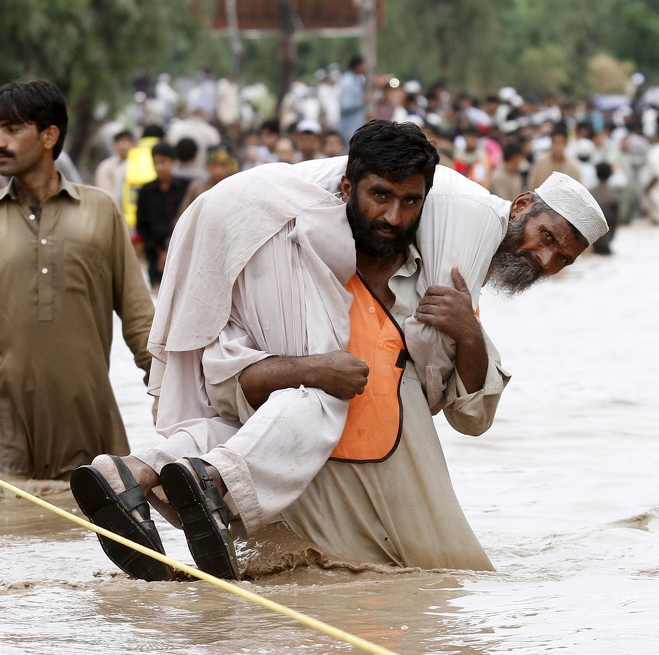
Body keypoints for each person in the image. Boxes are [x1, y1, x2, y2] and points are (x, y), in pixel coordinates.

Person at [70, 120, 607, 582]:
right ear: (520, 207)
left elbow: (441, 334)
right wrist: (449, 352)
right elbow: (431, 346)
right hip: (260, 233)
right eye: (545, 236)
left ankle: (133, 473)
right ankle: (216, 483)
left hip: (236, 223)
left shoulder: (457, 221)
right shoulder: (474, 219)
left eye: (562, 256)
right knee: (328, 383)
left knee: (258, 405)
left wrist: (464, 334)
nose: (544, 256)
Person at [0, 80, 155, 481]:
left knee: (82, 530)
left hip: (83, 411)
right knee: (5, 526)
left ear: (49, 135)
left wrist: (164, 386)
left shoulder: (100, 212)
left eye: (11, 129)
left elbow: (139, 315)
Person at [135, 141, 190, 289]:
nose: (159, 167)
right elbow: (141, 225)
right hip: (155, 257)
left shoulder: (185, 188)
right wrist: (160, 252)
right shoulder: (146, 191)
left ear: (173, 162)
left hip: (182, 254)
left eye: (163, 162)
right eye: (156, 163)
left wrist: (170, 252)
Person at [528, 122, 582, 190]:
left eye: (560, 143)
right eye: (554, 142)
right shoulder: (540, 161)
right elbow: (532, 186)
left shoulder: (573, 166)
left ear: (566, 143)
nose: (557, 146)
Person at [94, 129, 135, 206]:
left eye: (127, 141)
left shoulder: (137, 165)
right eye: (121, 141)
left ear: (132, 144)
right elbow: (102, 191)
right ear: (115, 144)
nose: (124, 145)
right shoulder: (105, 167)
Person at [590, 162, 620, 254]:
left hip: (590, 239)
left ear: (596, 174)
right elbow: (616, 221)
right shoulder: (614, 196)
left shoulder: (590, 193)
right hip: (606, 238)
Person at [339, 55, 368, 142]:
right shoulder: (348, 82)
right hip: (349, 126)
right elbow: (346, 105)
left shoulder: (356, 79)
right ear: (357, 66)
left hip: (356, 125)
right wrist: (362, 100)